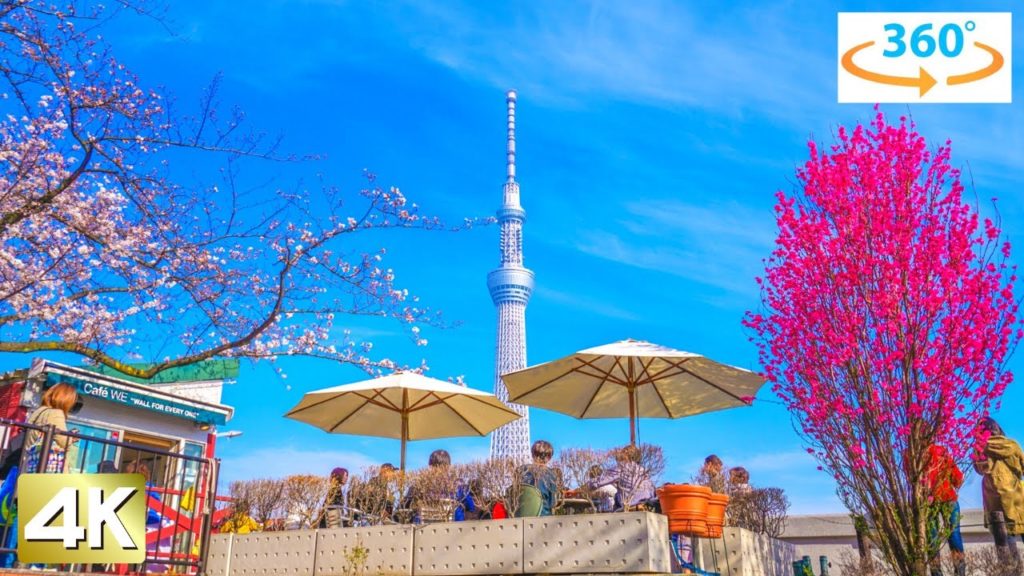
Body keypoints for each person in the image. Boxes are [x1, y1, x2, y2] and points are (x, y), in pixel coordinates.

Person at [973, 417, 1024, 544]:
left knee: (1004, 534)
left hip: (993, 496)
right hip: (1016, 494)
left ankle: (1011, 558)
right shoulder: (1012, 445)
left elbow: (979, 470)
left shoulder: (980, 449)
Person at [925, 444, 965, 576]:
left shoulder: (911, 454)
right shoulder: (941, 451)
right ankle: (960, 572)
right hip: (948, 496)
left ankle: (936, 573)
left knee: (932, 538)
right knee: (954, 534)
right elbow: (957, 478)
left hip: (928, 501)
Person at [24, 383, 79, 473]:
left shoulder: (39, 411)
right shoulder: (56, 414)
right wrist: (71, 438)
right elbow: (63, 442)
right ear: (66, 400)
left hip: (32, 463)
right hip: (50, 469)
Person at [518, 440, 560, 517]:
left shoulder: (520, 471)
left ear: (532, 454)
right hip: (542, 516)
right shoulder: (551, 474)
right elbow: (552, 503)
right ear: (549, 457)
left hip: (520, 515)